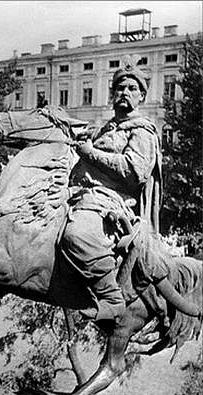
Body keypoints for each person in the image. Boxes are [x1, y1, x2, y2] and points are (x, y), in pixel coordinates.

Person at [60, 55, 164, 322]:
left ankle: (111, 298)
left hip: (111, 201)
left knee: (77, 235)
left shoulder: (142, 131)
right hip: (79, 194)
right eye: (119, 88)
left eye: (131, 89)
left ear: (141, 96)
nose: (124, 93)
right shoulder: (105, 128)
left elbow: (134, 171)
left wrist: (91, 153)